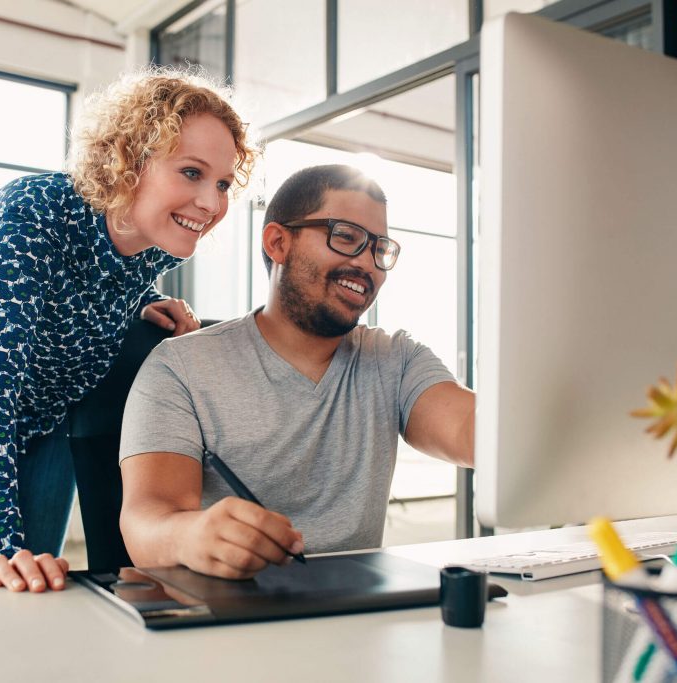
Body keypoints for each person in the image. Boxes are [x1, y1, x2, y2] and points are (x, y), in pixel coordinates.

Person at [0, 68, 257, 590]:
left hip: (47, 415)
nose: (212, 203)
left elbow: (86, 280)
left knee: (38, 588)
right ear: (129, 159)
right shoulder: (29, 218)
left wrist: (142, 303)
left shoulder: (150, 242)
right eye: (192, 173)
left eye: (221, 183)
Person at [118, 164, 475, 579]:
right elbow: (147, 521)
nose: (368, 265)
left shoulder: (396, 358)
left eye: (379, 249)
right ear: (277, 242)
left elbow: (473, 431)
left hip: (355, 619)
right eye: (346, 237)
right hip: (228, 618)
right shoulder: (179, 367)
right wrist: (191, 534)